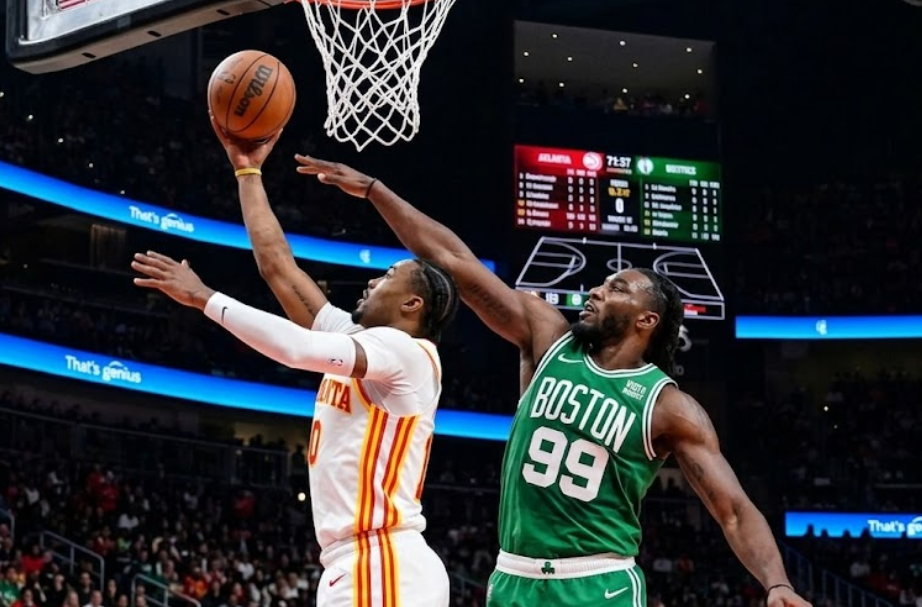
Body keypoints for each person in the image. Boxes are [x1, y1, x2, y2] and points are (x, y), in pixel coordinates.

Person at [295, 155, 812, 607]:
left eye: (616, 288)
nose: (595, 290)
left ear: (646, 321)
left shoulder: (667, 407)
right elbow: (454, 261)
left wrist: (775, 584)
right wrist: (375, 191)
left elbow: (735, 512)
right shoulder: (548, 338)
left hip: (597, 583)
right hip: (513, 576)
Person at [129, 126, 460, 607]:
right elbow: (278, 267)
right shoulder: (363, 343)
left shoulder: (409, 353)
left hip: (383, 561)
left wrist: (205, 298)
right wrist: (247, 170)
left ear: (413, 304)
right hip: (356, 563)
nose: (371, 280)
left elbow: (297, 350)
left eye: (388, 275)